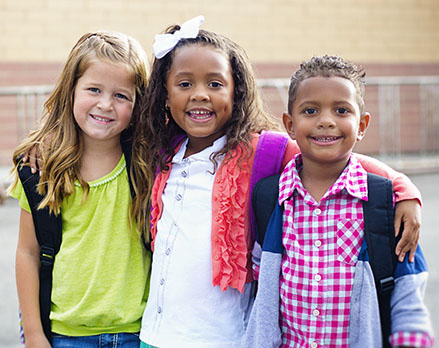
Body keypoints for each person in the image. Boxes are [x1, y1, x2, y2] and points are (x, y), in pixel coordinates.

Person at [133, 17, 424, 348]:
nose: (200, 95)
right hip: (155, 336)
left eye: (215, 84)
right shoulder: (160, 154)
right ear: (165, 97)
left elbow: (336, 158)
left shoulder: (263, 150)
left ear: (236, 91)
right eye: (185, 84)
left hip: (226, 337)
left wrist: (405, 189)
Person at [241, 55, 434, 347]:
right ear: (290, 125)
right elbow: (260, 285)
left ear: (362, 125)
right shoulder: (270, 199)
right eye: (311, 111)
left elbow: (409, 295)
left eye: (342, 110)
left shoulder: (384, 202)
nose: (326, 121)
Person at [9, 31, 152, 348]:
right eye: (94, 89)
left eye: (121, 96)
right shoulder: (40, 168)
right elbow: (28, 253)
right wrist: (33, 334)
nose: (105, 104)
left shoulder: (148, 163)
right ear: (71, 91)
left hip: (140, 333)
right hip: (66, 335)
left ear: (138, 103)